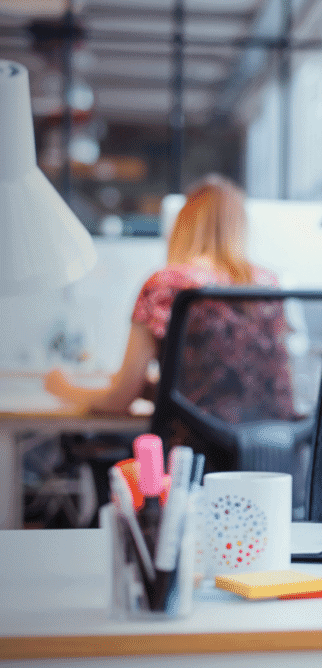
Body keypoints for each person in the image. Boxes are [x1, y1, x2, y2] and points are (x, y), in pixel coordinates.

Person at [45, 174, 295, 471]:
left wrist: (62, 386)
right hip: (273, 457)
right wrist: (159, 388)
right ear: (240, 228)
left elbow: (119, 398)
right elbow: (236, 384)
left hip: (194, 460)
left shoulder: (167, 284)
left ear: (184, 226)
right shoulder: (268, 286)